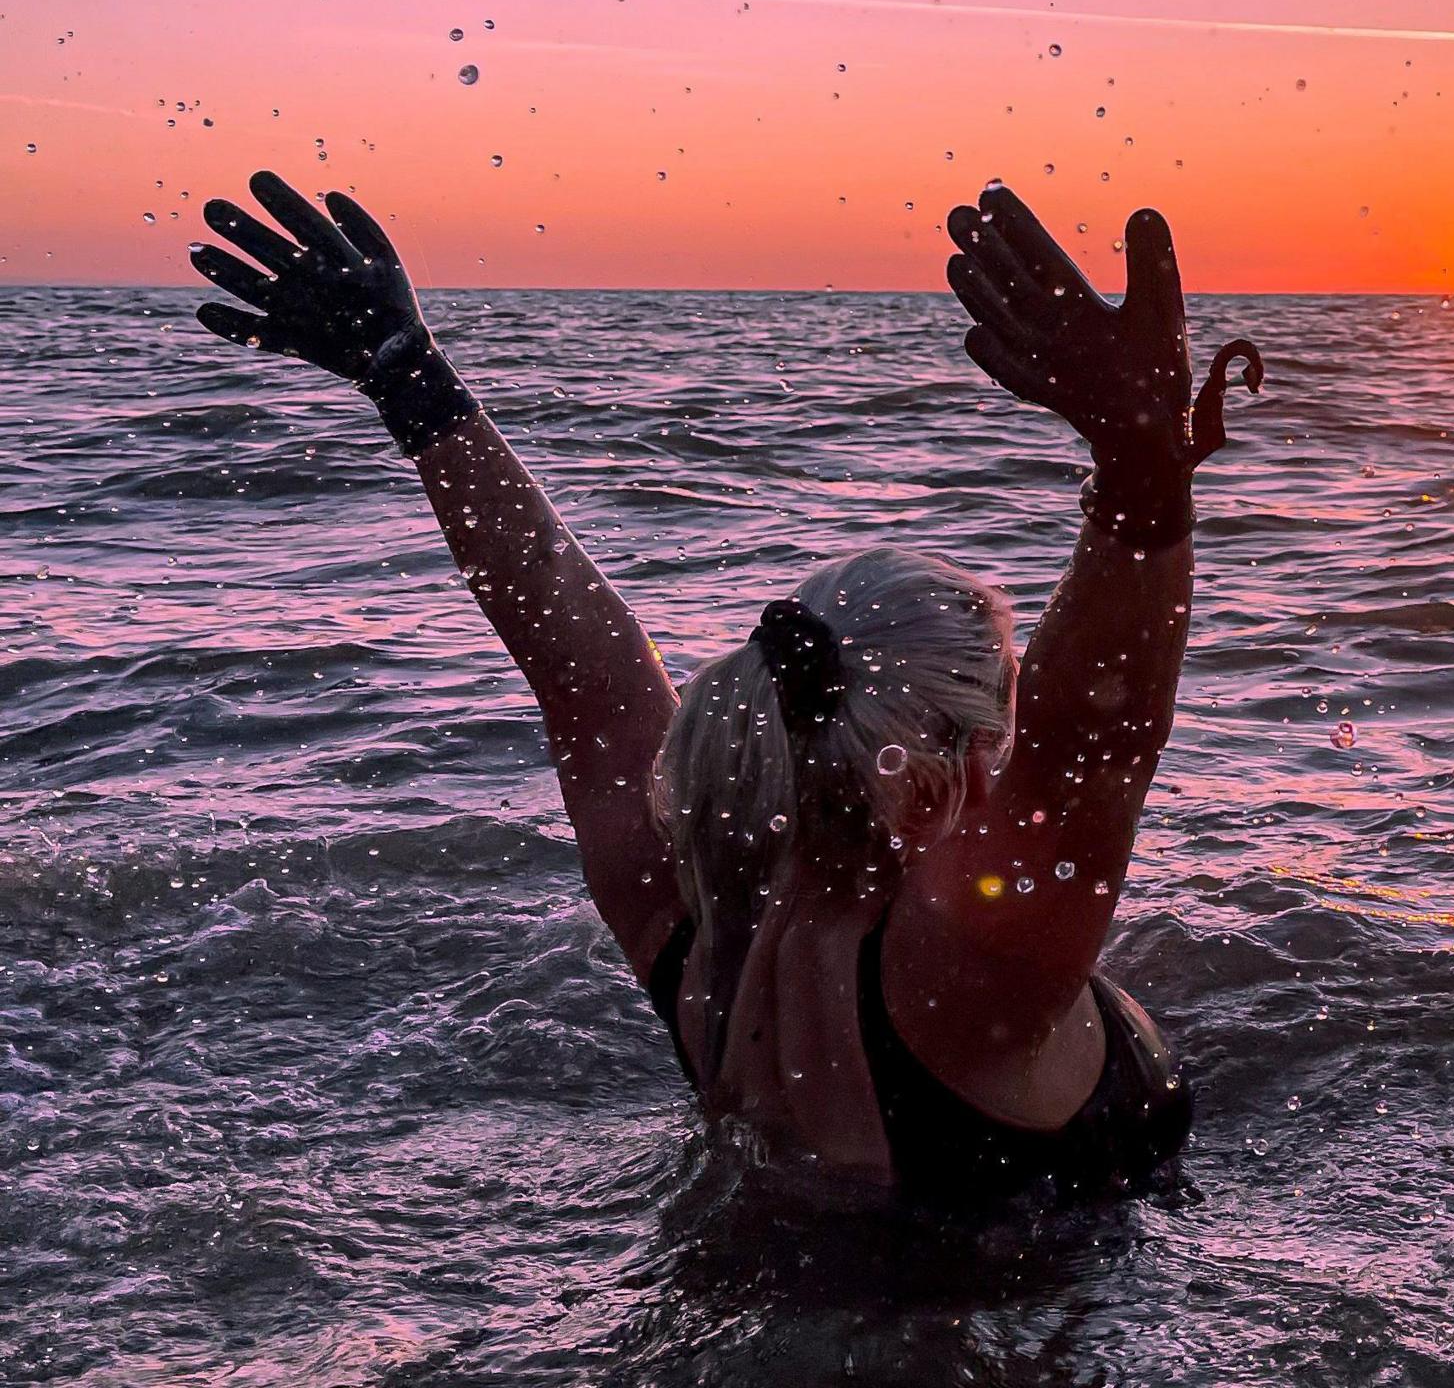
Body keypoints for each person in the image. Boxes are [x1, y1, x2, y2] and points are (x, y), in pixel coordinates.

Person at [186, 170, 1263, 1202]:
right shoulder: (977, 977)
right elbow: (1097, 743)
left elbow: (579, 663)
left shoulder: (698, 923)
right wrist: (1139, 466)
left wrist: (410, 377)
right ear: (966, 763)